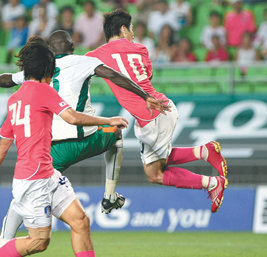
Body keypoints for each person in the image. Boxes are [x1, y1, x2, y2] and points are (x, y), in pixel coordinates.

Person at [0, 32, 169, 240]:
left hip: (52, 149)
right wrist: (145, 96)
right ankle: (109, 195)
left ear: (50, 51)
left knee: (25, 194)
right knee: (115, 131)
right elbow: (114, 76)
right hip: (86, 139)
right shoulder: (84, 61)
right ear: (73, 47)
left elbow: (7, 80)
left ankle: (4, 240)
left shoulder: (33, 72)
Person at [87, 9, 228, 213]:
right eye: (131, 28)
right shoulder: (141, 49)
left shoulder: (96, 55)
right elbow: (146, 78)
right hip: (158, 110)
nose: (133, 32)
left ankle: (212, 180)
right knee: (157, 167)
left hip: (153, 115)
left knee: (157, 171)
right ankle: (205, 154)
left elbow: (76, 67)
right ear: (123, 29)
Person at [0, 42, 128, 257]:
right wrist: (108, 120)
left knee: (80, 221)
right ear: (46, 69)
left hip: (46, 174)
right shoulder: (43, 90)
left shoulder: (14, 100)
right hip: (33, 179)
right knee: (39, 241)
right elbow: (72, 117)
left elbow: (3, 145)